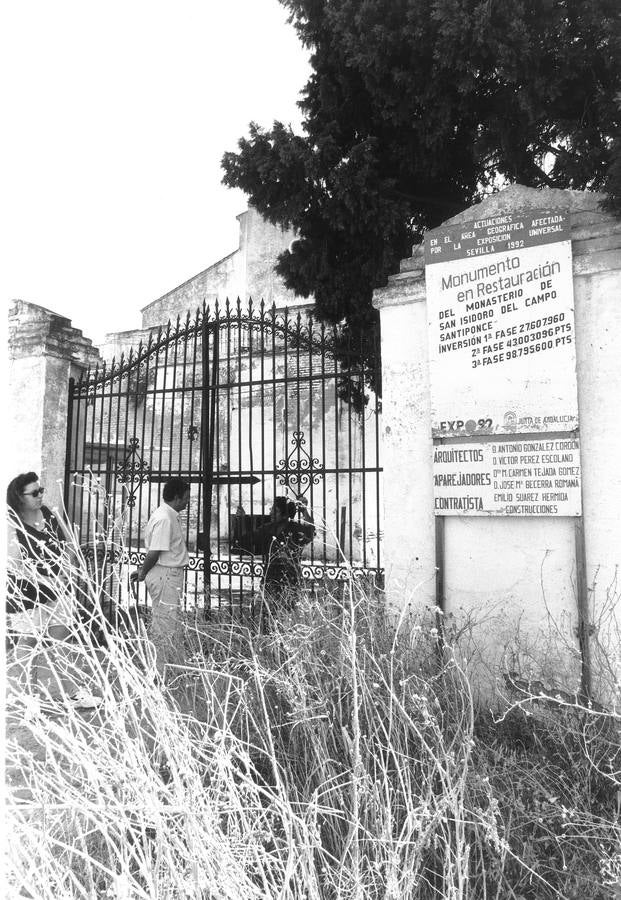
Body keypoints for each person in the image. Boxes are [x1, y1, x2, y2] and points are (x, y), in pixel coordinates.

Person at [6, 472, 102, 711]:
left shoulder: (48, 513)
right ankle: (29, 697)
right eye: (34, 493)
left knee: (63, 641)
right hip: (27, 592)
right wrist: (47, 580)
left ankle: (71, 693)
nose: (40, 496)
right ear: (19, 496)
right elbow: (14, 563)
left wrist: (66, 572)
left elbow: (69, 542)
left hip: (58, 588)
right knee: (29, 642)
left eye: (41, 491)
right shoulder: (11, 522)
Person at [130, 477, 190, 676]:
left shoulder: (169, 514)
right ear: (176, 497)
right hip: (165, 574)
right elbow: (155, 552)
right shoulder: (165, 517)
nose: (187, 502)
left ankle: (175, 668)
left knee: (171, 623)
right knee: (164, 625)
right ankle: (158, 671)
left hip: (168, 574)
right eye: (185, 498)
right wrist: (143, 571)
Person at [245, 495, 315, 629]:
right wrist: (241, 519)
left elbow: (310, 532)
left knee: (288, 612)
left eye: (274, 510)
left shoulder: (295, 528)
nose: (270, 513)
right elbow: (250, 538)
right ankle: (270, 638)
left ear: (284, 514)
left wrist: (305, 511)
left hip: (290, 576)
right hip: (270, 575)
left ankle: (286, 639)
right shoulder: (268, 528)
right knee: (268, 612)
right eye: (271, 509)